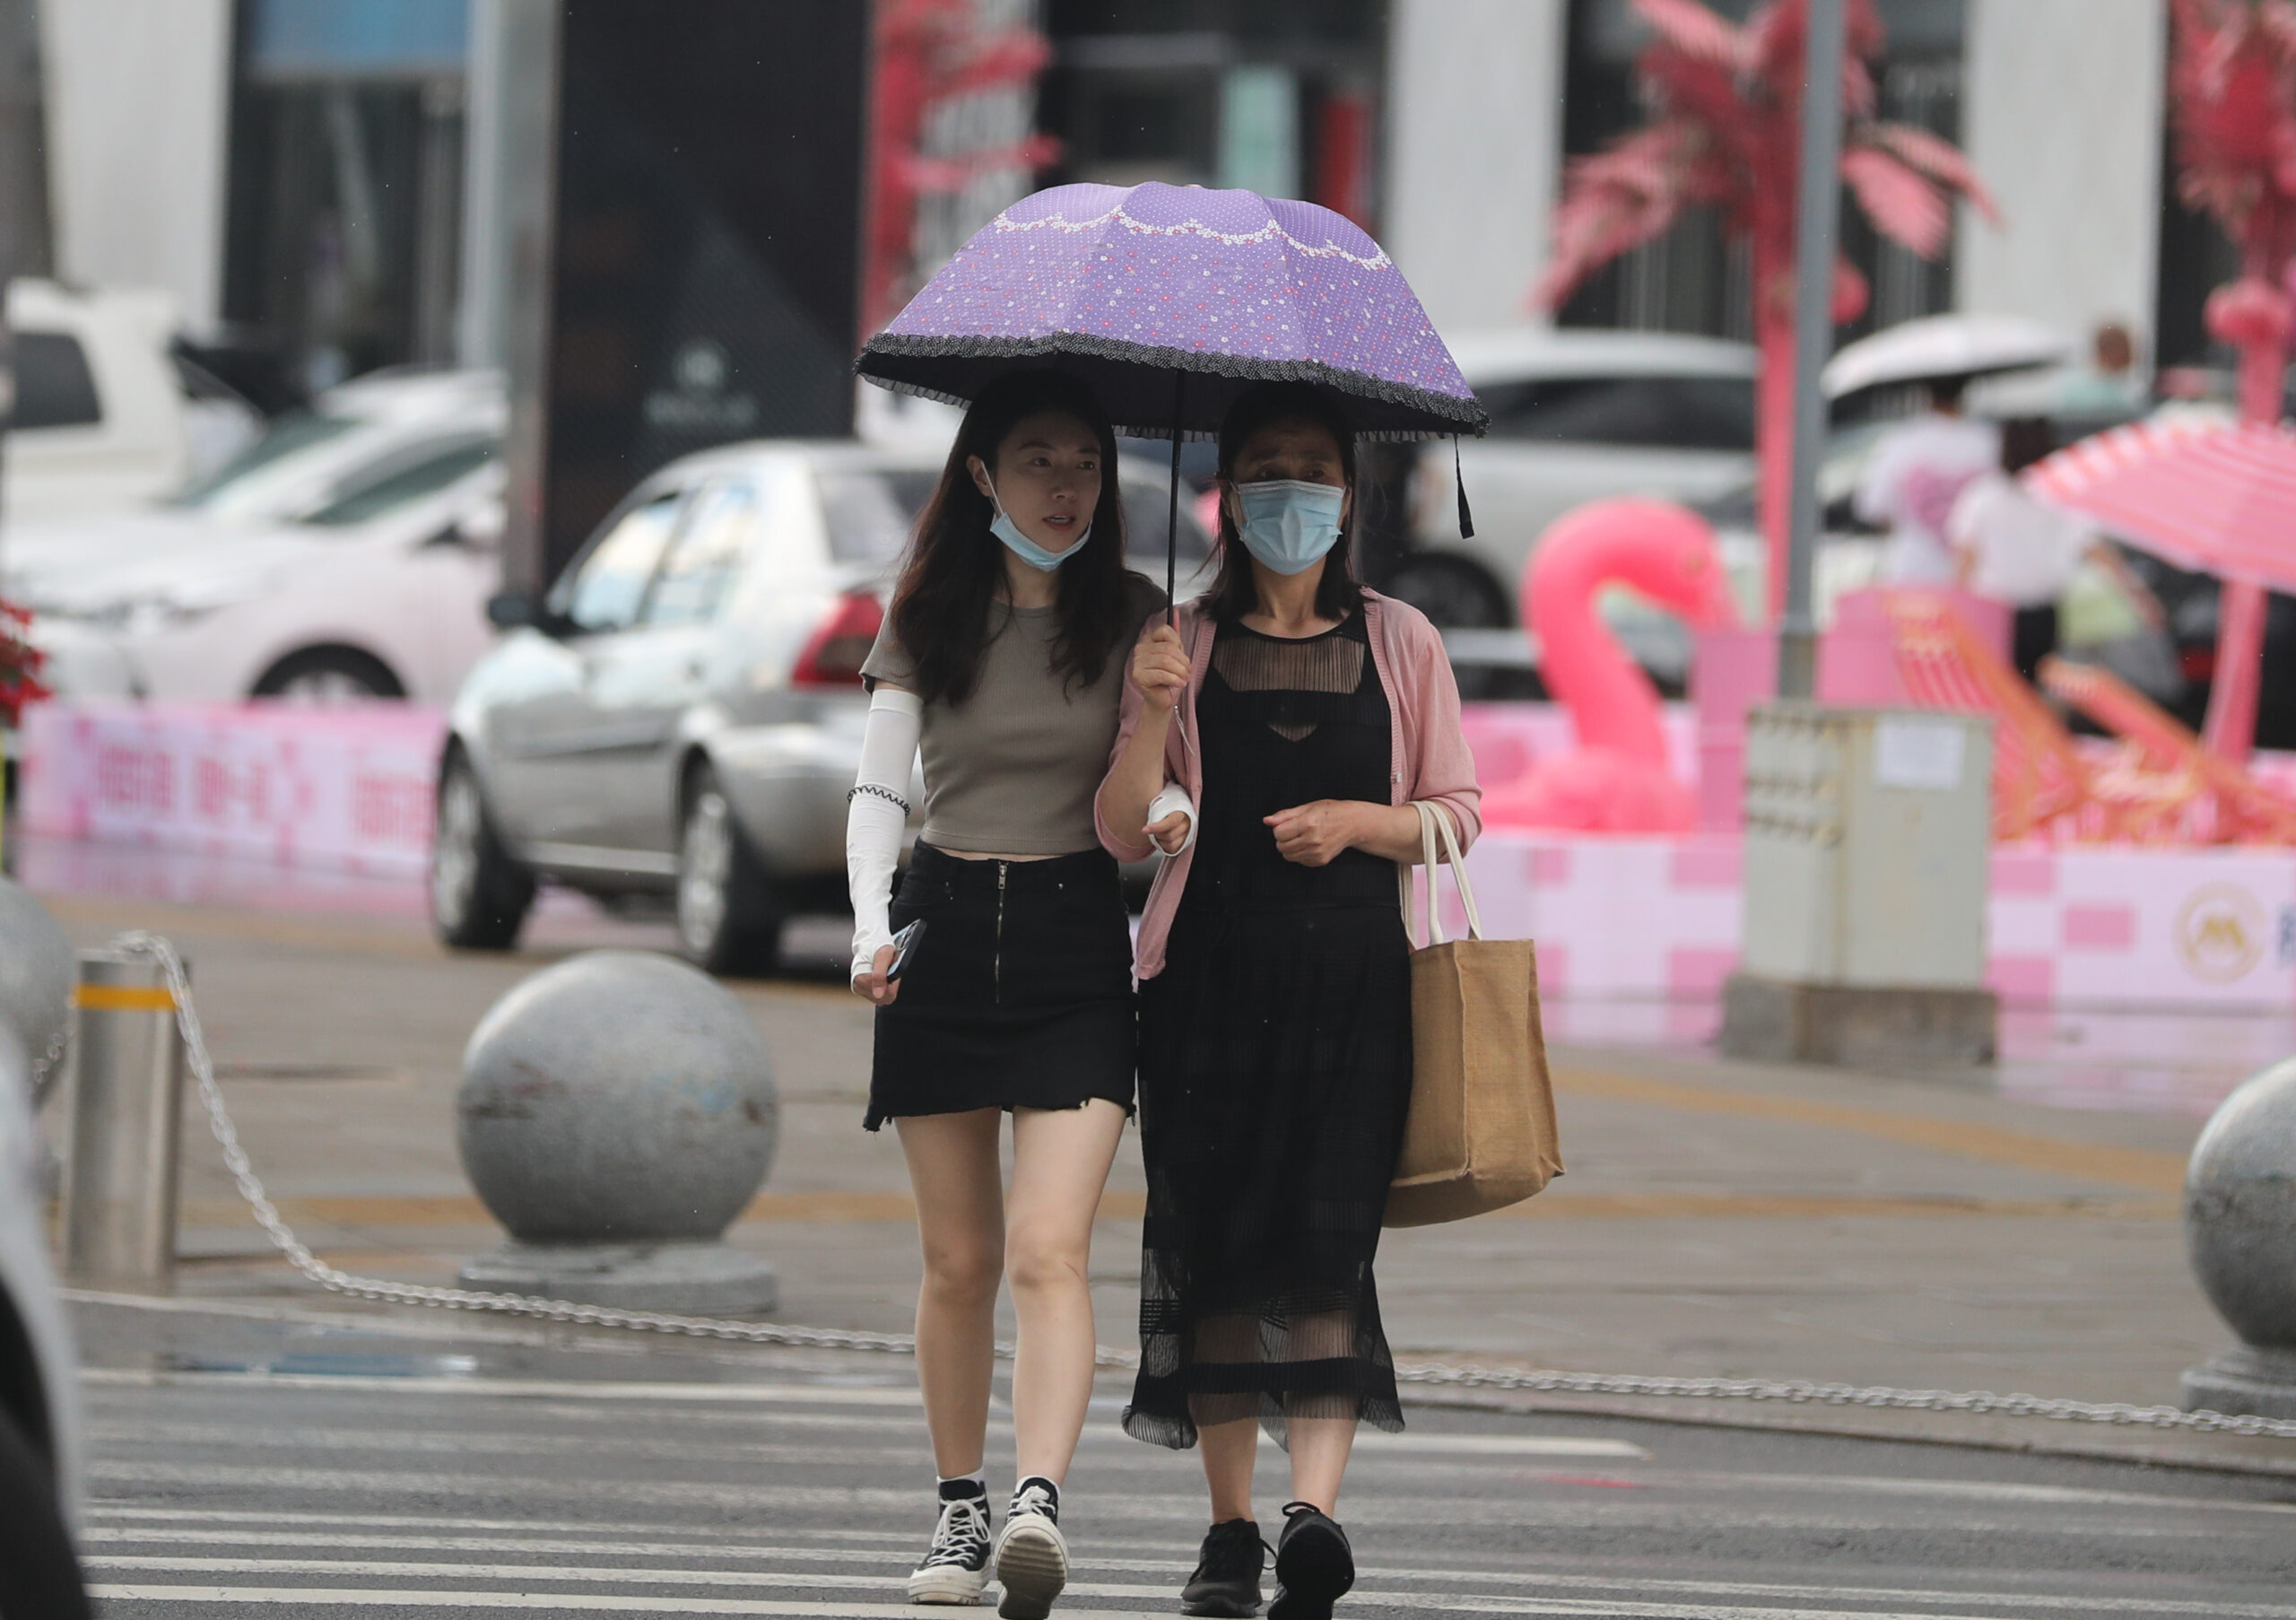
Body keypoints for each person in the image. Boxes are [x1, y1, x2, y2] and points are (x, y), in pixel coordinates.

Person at [1095, 382, 1482, 1620]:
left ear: (1351, 493)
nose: (1290, 491)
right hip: (1204, 988)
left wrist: (1362, 823)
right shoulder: (1179, 639)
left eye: (1314, 468)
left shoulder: (1402, 639)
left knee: (1325, 1251)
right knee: (1209, 1254)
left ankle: (1313, 1511)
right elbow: (1127, 829)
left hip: (1355, 994)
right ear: (1224, 490)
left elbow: (1459, 815)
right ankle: (1227, 1529)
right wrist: (1150, 710)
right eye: (1265, 467)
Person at [845, 369, 1167, 1618]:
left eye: (1083, 460)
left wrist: (1157, 724)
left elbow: (1141, 821)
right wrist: (873, 927)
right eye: (1037, 457)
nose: (1064, 482)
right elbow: (883, 789)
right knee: (959, 1256)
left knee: (1050, 1248)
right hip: (936, 927)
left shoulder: (1141, 614)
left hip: (1072, 938)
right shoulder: (929, 607)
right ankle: (960, 1502)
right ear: (981, 472)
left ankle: (1038, 1501)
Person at [1947, 416, 2163, 684]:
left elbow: (1965, 562)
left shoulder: (1981, 497)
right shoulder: (2058, 494)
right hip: (2041, 611)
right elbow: (2098, 551)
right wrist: (2139, 596)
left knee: (2001, 688)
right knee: (2038, 687)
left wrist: (1955, 611)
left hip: (1997, 611)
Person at [1853, 375, 2000, 585]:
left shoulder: (1900, 442)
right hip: (1976, 577)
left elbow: (1874, 508)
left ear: (1927, 393)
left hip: (1912, 575)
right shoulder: (1989, 441)